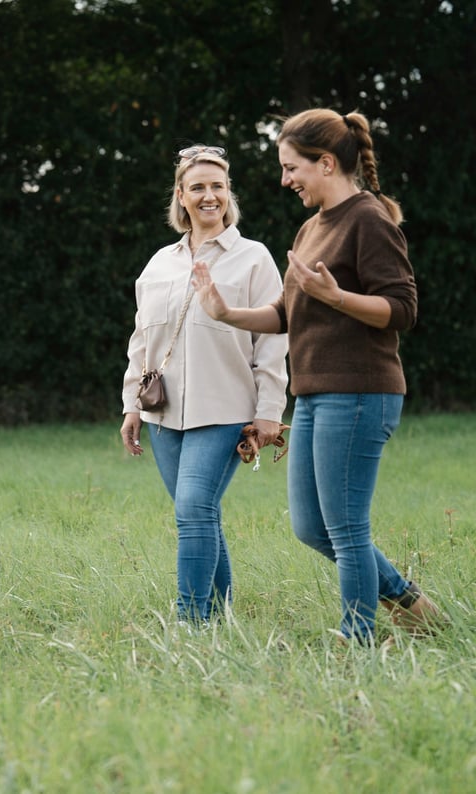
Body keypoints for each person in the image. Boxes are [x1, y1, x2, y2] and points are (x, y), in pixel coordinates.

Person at [192, 109, 441, 643]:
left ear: (326, 162)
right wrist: (226, 313)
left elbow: (402, 309)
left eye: (291, 168)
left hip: (360, 391)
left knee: (348, 530)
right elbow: (285, 312)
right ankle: (412, 604)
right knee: (310, 526)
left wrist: (337, 297)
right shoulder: (313, 226)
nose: (285, 181)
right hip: (314, 394)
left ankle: (359, 641)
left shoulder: (369, 219)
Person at [120, 145, 288, 625]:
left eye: (218, 186)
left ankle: (190, 623)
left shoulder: (253, 258)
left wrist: (270, 409)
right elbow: (141, 340)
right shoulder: (158, 263)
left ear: (228, 193)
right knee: (200, 515)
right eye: (198, 187)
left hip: (226, 409)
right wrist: (132, 405)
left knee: (193, 508)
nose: (209, 195)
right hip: (163, 414)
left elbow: (275, 338)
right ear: (182, 195)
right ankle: (221, 616)